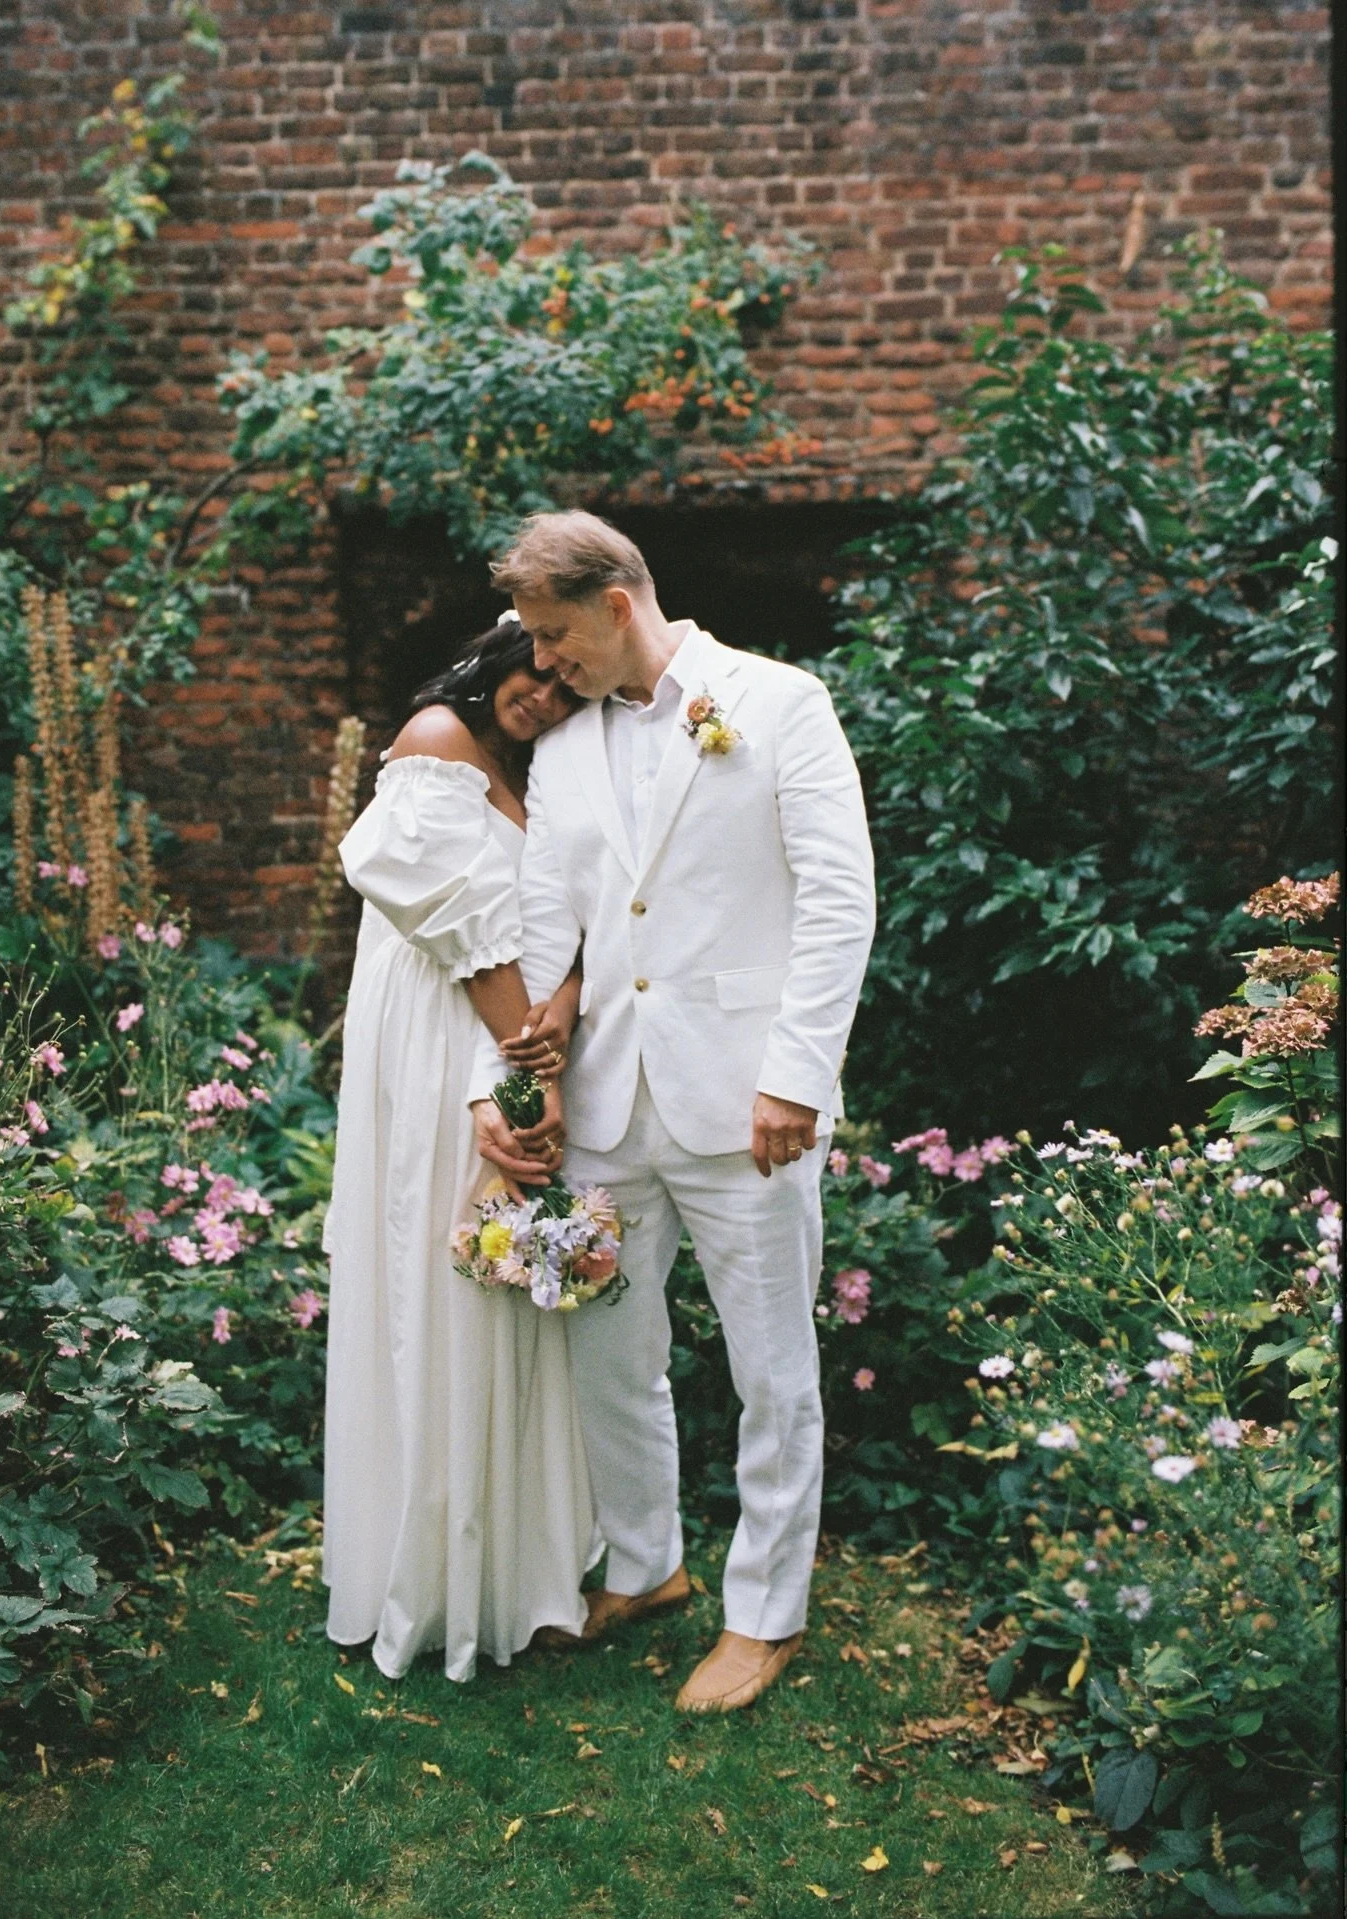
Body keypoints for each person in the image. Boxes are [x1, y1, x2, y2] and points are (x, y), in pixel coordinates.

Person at [469, 512, 876, 1714]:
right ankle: (646, 1565)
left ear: (618, 602)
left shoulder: (780, 700)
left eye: (555, 636)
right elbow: (551, 924)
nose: (544, 666)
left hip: (749, 1100)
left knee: (771, 1368)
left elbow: (839, 901)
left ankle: (765, 1613)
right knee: (606, 1350)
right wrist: (525, 1092)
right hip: (605, 1100)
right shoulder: (566, 746)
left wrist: (796, 1076)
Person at [322, 616, 594, 1683]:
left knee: (498, 1281)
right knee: (442, 1277)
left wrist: (558, 1015)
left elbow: (559, 926)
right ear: (497, 652)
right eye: (539, 671)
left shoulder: (533, 771)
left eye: (569, 689)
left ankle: (514, 1570)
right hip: (444, 1041)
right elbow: (464, 925)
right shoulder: (436, 737)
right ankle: (433, 1575)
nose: (547, 697)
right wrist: (519, 1070)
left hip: (504, 1032)